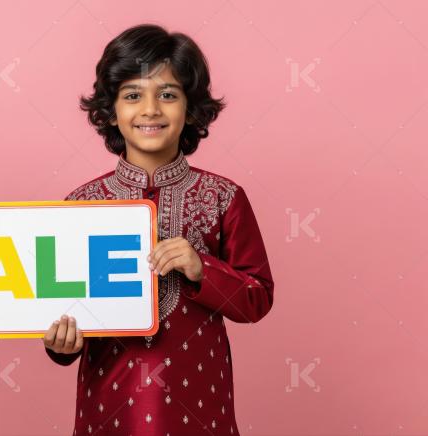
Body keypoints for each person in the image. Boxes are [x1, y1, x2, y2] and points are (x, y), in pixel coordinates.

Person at [43, 24, 274, 435]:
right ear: (111, 110)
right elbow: (62, 313)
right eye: (133, 95)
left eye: (167, 95)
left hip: (201, 405)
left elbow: (257, 299)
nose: (150, 109)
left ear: (191, 108)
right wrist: (61, 346)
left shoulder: (222, 197)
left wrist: (202, 268)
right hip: (110, 406)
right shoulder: (81, 205)